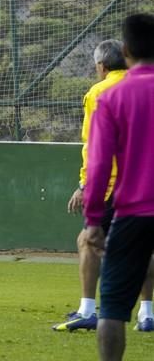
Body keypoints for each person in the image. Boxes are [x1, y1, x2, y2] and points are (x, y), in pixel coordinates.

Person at [53, 40, 154, 332]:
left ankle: (88, 310)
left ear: (102, 66)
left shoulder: (99, 93)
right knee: (144, 247)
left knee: (87, 241)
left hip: (115, 186)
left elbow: (96, 147)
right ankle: (147, 316)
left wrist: (85, 185)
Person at [84, 13, 154, 360]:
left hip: (133, 212)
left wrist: (93, 220)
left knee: (111, 308)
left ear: (125, 50)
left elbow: (97, 165)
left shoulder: (111, 97)